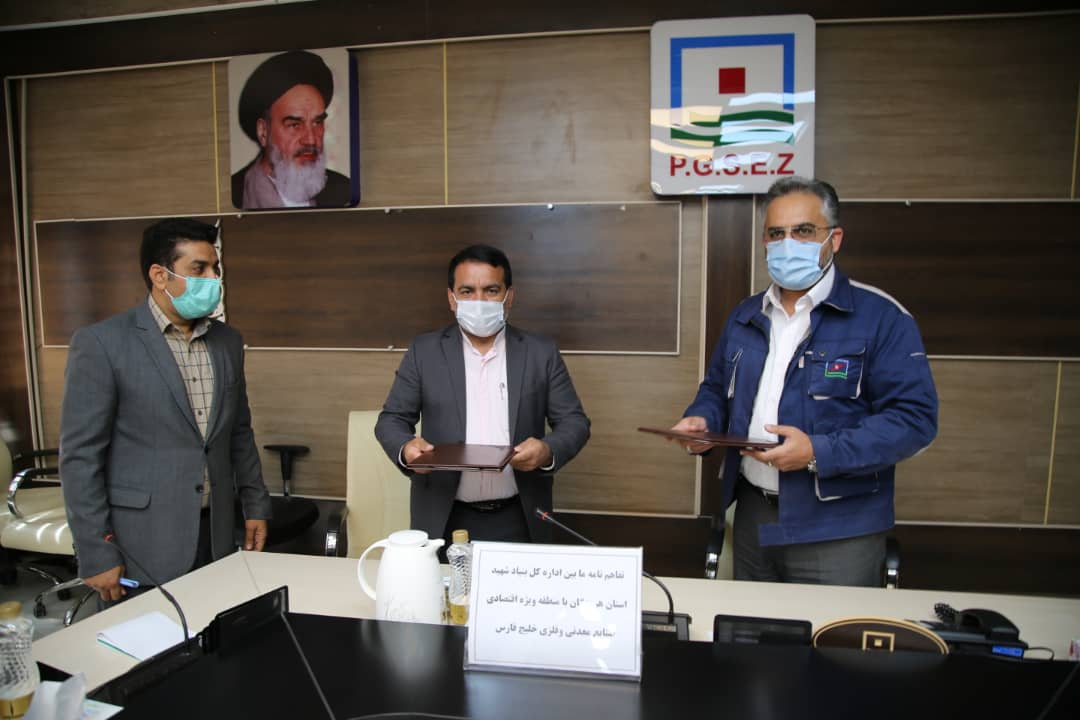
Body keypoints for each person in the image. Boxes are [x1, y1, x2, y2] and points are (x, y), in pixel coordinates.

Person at [672, 177, 937, 586]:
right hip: (753, 514)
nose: (788, 244)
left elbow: (915, 421)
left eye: (803, 231)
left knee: (830, 629)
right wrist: (702, 420)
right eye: (776, 234)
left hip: (838, 526)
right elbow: (716, 390)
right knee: (751, 625)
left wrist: (817, 452)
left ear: (834, 239)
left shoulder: (881, 318)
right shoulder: (746, 315)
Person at [60, 218, 271, 603]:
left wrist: (255, 505)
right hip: (142, 542)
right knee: (145, 637)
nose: (213, 279)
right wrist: (95, 550)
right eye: (199, 269)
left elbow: (239, 432)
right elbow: (80, 457)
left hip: (216, 533)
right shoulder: (102, 343)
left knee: (215, 634)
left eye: (215, 269)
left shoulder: (227, 341)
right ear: (160, 275)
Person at [375, 245, 591, 548]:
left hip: (519, 516)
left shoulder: (540, 352)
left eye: (491, 290)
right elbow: (391, 420)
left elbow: (574, 422)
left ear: (508, 296)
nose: (479, 301)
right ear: (451, 298)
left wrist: (547, 450)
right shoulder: (424, 351)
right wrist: (406, 449)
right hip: (443, 517)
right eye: (467, 291)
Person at [231, 50, 353, 209]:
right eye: (295, 125)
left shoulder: (344, 190)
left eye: (317, 122)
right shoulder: (236, 193)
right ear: (263, 132)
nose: (311, 139)